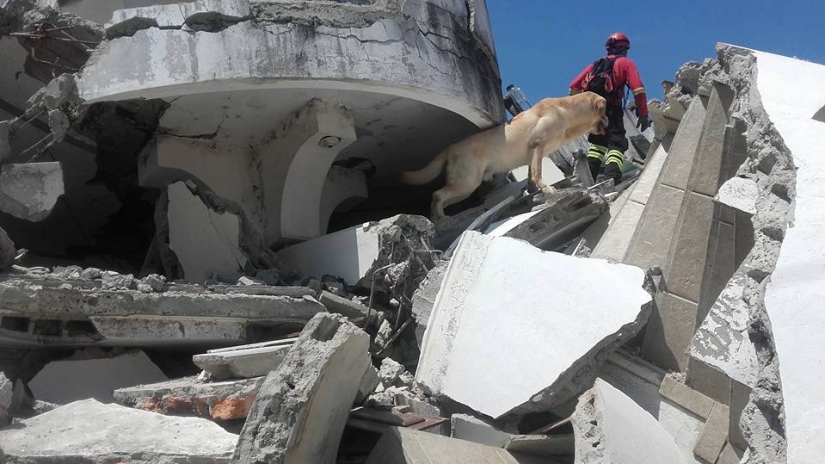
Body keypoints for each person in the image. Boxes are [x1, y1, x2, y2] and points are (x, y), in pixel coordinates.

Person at [569, 32, 651, 184]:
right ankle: (611, 179)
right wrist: (643, 113)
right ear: (625, 48)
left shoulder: (595, 65)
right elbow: (638, 89)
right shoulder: (626, 63)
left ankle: (588, 180)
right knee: (617, 145)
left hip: (593, 112)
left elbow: (574, 86)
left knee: (597, 145)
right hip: (612, 109)